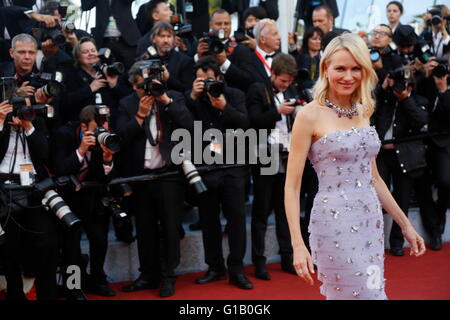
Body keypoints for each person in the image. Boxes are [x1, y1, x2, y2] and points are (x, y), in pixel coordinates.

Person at [284, 33, 426, 300]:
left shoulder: (363, 109)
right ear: (326, 68)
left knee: (373, 291)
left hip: (370, 222)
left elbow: (374, 178)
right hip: (334, 223)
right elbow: (291, 187)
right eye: (340, 68)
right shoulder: (308, 116)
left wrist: (404, 224)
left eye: (355, 68)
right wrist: (297, 244)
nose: (348, 76)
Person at [116, 60, 194, 298]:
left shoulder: (173, 98)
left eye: (151, 85)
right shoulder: (126, 104)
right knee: (145, 228)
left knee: (170, 228)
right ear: (133, 86)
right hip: (141, 176)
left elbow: (190, 126)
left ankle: (168, 276)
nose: (147, 91)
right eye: (142, 87)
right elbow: (119, 139)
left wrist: (166, 101)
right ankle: (147, 274)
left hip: (169, 174)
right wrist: (139, 116)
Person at [186, 56, 252, 290]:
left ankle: (237, 270)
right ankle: (214, 267)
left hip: (233, 168)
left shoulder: (235, 96)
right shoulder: (193, 99)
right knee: (208, 221)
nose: (206, 85)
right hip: (206, 168)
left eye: (210, 80)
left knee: (236, 219)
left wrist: (225, 107)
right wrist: (193, 97)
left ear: (219, 78)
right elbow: (183, 124)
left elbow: (246, 125)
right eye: (201, 80)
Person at [51, 104, 118, 299]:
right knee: (71, 245)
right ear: (83, 127)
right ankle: (74, 287)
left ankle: (98, 279)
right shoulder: (63, 135)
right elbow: (59, 169)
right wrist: (81, 150)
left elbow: (108, 178)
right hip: (68, 197)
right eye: (96, 128)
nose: (101, 132)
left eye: (104, 126)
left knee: (100, 240)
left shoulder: (107, 136)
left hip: (93, 197)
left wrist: (107, 158)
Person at [0, 88, 58, 300]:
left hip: (33, 189)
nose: (23, 110)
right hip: (5, 191)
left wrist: (28, 126)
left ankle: (47, 295)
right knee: (10, 249)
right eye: (19, 106)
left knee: (47, 243)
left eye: (27, 105)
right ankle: (15, 295)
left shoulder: (36, 120)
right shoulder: (1, 121)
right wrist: (0, 122)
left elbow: (44, 154)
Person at [246, 53, 299, 280]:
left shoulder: (291, 92)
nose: (285, 85)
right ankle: (260, 262)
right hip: (265, 156)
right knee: (261, 211)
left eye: (288, 82)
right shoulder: (258, 89)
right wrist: (277, 112)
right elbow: (253, 120)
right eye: (282, 81)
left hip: (287, 155)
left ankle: (288, 257)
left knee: (284, 210)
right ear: (273, 74)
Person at [63, 37, 131, 128]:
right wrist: (90, 89)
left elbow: (126, 100)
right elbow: (66, 102)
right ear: (78, 57)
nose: (90, 53)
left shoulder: (108, 71)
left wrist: (114, 85)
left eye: (93, 50)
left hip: (111, 124)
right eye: (85, 52)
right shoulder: (72, 75)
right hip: (84, 125)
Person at [195, 9, 254, 92]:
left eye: (226, 23)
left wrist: (225, 63)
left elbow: (247, 81)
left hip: (232, 98)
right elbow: (188, 77)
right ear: (210, 25)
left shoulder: (241, 50)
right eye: (219, 24)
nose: (223, 27)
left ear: (231, 25)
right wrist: (198, 57)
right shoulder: (201, 45)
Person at [80, 0, 141, 69]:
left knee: (130, 71)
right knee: (106, 70)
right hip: (104, 41)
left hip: (126, 40)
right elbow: (86, 6)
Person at [250, 18, 281, 87]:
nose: (279, 37)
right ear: (262, 39)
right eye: (275, 34)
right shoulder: (250, 60)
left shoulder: (282, 58)